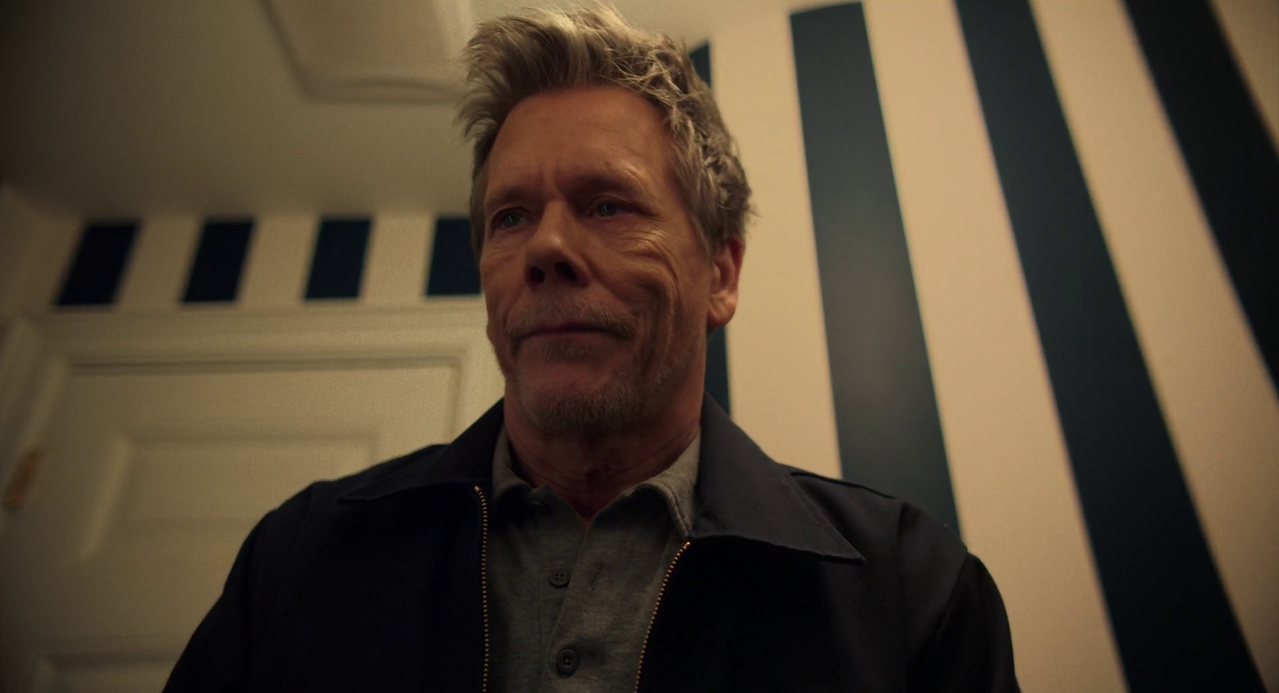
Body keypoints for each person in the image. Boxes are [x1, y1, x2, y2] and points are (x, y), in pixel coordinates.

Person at [165, 6, 1019, 692]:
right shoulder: (300, 555)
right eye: (509, 217)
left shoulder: (906, 587)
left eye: (608, 204)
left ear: (721, 273)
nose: (544, 248)